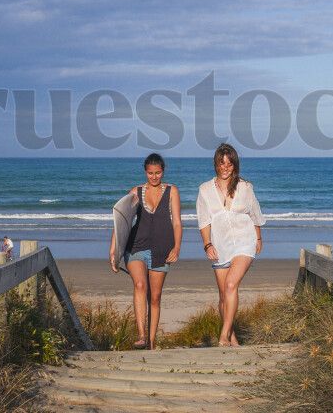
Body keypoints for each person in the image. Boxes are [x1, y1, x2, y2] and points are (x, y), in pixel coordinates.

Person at [109, 153, 182, 349]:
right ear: (145, 171)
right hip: (136, 247)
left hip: (162, 249)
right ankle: (141, 336)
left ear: (163, 171)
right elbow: (121, 220)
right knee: (140, 285)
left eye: (158, 173)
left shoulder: (172, 191)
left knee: (155, 298)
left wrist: (177, 246)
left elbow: (176, 222)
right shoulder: (136, 191)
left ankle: (150, 343)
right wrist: (113, 250)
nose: (154, 177)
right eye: (150, 173)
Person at [197, 143, 264, 347]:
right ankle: (233, 339)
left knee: (230, 285)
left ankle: (224, 335)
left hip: (245, 241)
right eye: (221, 163)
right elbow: (203, 221)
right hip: (219, 245)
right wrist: (207, 245)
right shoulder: (205, 189)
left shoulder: (245, 187)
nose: (225, 167)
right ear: (216, 164)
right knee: (223, 295)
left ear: (235, 165)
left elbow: (255, 215)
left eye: (229, 164)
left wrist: (258, 238)